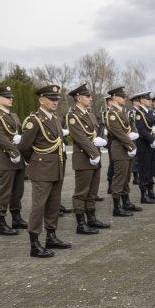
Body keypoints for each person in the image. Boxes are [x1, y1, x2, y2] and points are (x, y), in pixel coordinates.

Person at [19, 85, 71, 258]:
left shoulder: (55, 118)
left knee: (53, 204)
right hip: (41, 169)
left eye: (56, 99)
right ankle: (34, 243)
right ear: (41, 100)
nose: (55, 102)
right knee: (39, 206)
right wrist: (35, 163)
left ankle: (51, 236)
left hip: (57, 168)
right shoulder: (34, 120)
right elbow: (25, 147)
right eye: (51, 99)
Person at [65, 83, 110, 234]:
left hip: (94, 157)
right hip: (84, 158)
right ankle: (81, 224)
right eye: (87, 96)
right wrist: (94, 154)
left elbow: (94, 133)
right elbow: (80, 138)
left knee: (92, 191)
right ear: (78, 98)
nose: (90, 98)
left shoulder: (90, 115)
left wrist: (102, 141)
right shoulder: (72, 116)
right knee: (81, 192)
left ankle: (91, 218)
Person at [0, 84, 28, 235]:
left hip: (19, 158)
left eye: (11, 97)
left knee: (18, 190)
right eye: (7, 97)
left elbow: (21, 133)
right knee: (4, 191)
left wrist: (22, 142)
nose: (11, 99)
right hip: (6, 158)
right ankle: (1, 223)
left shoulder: (14, 115)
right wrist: (13, 152)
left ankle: (16, 217)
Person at [105, 86, 140, 216]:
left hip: (126, 147)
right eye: (122, 96)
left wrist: (133, 135)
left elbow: (129, 127)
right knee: (119, 178)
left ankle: (126, 202)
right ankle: (117, 207)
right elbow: (118, 133)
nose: (124, 99)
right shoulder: (112, 113)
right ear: (114, 97)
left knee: (126, 178)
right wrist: (131, 146)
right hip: (120, 148)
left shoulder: (121, 112)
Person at [131, 90, 155, 204]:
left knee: (150, 169)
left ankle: (151, 191)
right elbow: (141, 130)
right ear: (141, 100)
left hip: (151, 145)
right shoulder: (139, 113)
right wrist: (152, 139)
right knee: (144, 170)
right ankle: (143, 195)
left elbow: (154, 123)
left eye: (150, 99)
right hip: (144, 145)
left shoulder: (149, 112)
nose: (150, 101)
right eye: (148, 99)